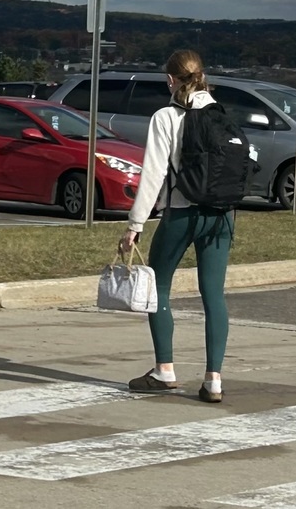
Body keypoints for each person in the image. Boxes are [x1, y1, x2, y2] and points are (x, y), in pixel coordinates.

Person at [118, 49, 235, 404]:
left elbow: (153, 176)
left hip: (182, 212)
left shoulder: (165, 117)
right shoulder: (221, 114)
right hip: (222, 215)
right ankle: (213, 380)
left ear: (170, 80)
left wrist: (134, 224)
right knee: (213, 294)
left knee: (159, 287)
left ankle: (164, 370)